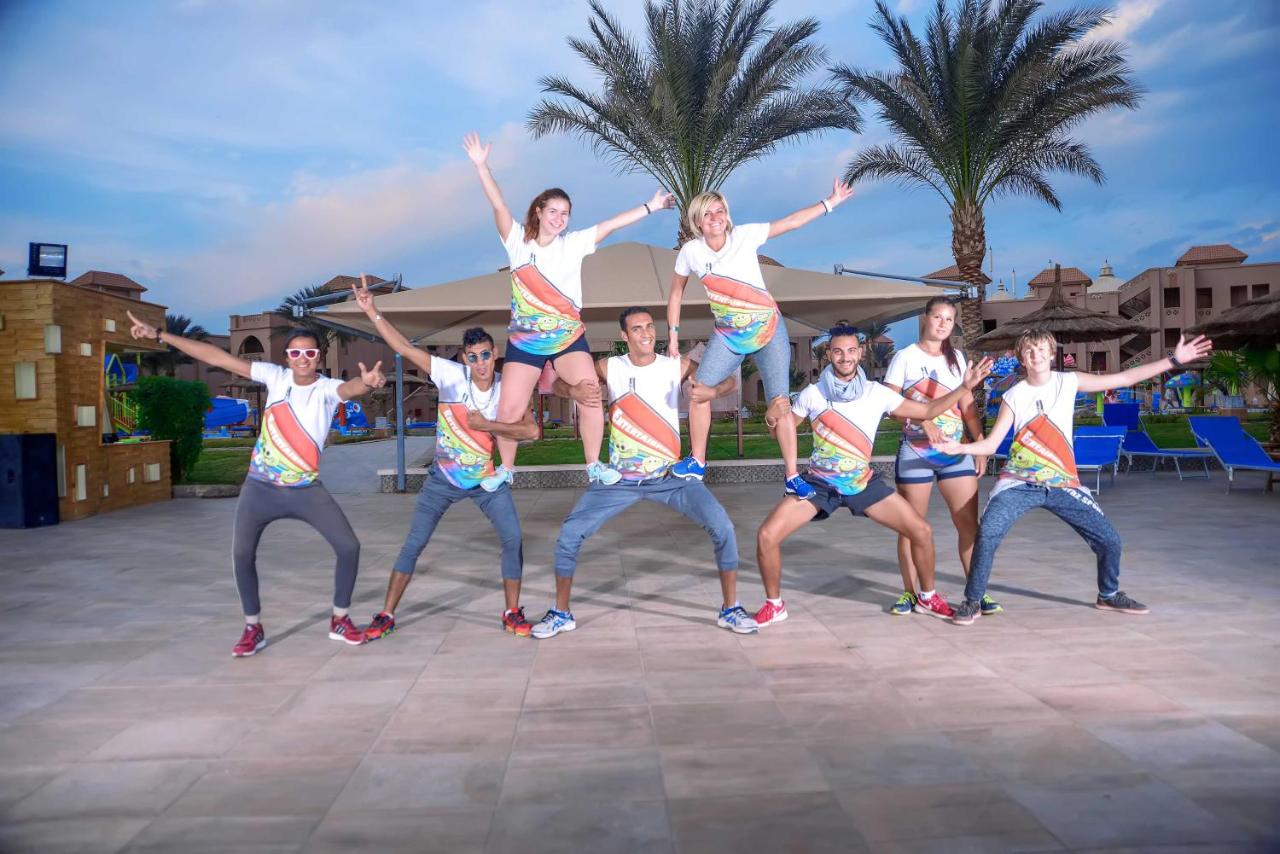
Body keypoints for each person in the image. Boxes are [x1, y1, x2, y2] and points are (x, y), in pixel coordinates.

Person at [125, 309, 385, 657]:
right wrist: (160, 335)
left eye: (310, 352)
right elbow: (216, 357)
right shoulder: (275, 378)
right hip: (260, 487)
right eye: (296, 352)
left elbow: (349, 388)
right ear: (286, 357)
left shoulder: (325, 389)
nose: (303, 358)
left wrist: (366, 383)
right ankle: (253, 627)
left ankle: (340, 619)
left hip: (306, 489)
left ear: (318, 357)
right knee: (242, 553)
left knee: (349, 547)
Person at [935, 329, 1213, 625]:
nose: (1036, 355)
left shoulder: (1068, 382)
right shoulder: (1014, 396)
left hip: (1062, 483)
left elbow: (1124, 379)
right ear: (1022, 359)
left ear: (1051, 354)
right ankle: (972, 601)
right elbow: (992, 445)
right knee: (988, 533)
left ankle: (1108, 594)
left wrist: (1173, 360)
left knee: (1109, 541)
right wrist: (961, 447)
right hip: (1018, 482)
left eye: (1042, 349)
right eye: (1029, 351)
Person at [462, 131, 674, 491]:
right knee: (509, 410)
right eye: (554, 211)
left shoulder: (573, 244)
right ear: (539, 211)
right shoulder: (517, 242)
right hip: (526, 343)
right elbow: (498, 205)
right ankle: (506, 470)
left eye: (565, 213)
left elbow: (611, 225)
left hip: (567, 338)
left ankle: (594, 465)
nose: (560, 218)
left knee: (589, 392)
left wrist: (650, 207)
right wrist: (482, 166)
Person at [752, 325, 991, 627]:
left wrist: (964, 388)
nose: (845, 357)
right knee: (767, 536)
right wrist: (770, 417)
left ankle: (927, 597)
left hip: (862, 483)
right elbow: (782, 432)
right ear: (829, 354)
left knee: (921, 531)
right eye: (838, 351)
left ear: (860, 353)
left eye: (851, 350)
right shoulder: (813, 394)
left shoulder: (877, 393)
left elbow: (928, 411)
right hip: (819, 483)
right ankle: (774, 605)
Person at [533, 307, 749, 639]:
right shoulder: (610, 367)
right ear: (624, 336)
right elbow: (558, 383)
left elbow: (730, 381)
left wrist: (712, 392)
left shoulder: (675, 366)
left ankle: (731, 609)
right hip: (619, 479)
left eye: (649, 326)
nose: (646, 333)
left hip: (671, 478)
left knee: (723, 527)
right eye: (637, 328)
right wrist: (573, 391)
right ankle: (561, 613)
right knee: (569, 535)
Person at [349, 278, 539, 639]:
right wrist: (372, 310)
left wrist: (489, 425)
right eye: (473, 357)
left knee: (513, 538)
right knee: (414, 544)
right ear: (464, 358)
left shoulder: (507, 387)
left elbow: (531, 432)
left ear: (495, 353)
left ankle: (511, 612)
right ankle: (386, 615)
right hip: (443, 480)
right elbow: (403, 347)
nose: (480, 363)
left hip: (486, 481)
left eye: (485, 355)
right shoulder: (450, 376)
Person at [666, 181, 854, 500]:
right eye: (708, 214)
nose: (716, 217)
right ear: (697, 221)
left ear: (727, 215)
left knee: (780, 402)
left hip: (768, 330)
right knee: (698, 392)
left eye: (720, 211)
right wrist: (673, 336)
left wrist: (831, 202)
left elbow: (790, 222)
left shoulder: (745, 236)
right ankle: (697, 462)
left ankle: (792, 476)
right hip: (728, 336)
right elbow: (675, 294)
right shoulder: (690, 252)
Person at [882, 296, 997, 617]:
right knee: (911, 526)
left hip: (955, 452)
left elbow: (967, 405)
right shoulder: (904, 357)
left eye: (949, 319)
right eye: (938, 317)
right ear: (925, 319)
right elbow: (889, 405)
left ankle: (976, 592)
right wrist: (923, 420)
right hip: (916, 452)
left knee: (968, 526)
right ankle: (911, 593)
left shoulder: (957, 358)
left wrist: (979, 443)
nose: (943, 324)